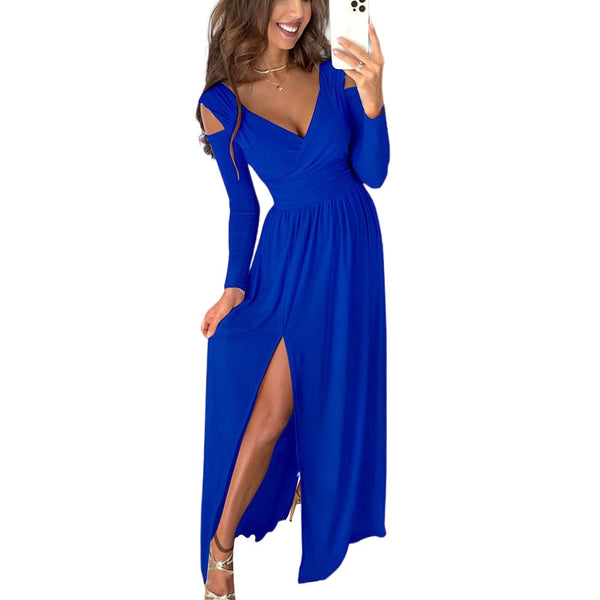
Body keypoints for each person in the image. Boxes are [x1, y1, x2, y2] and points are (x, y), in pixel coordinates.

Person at [197, 1, 390, 597]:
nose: (297, 11)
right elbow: (243, 206)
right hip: (289, 260)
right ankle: (220, 548)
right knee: (269, 412)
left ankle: (314, 485)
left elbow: (373, 171)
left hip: (352, 248)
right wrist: (234, 286)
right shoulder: (221, 104)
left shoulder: (335, 75)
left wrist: (374, 98)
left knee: (336, 379)